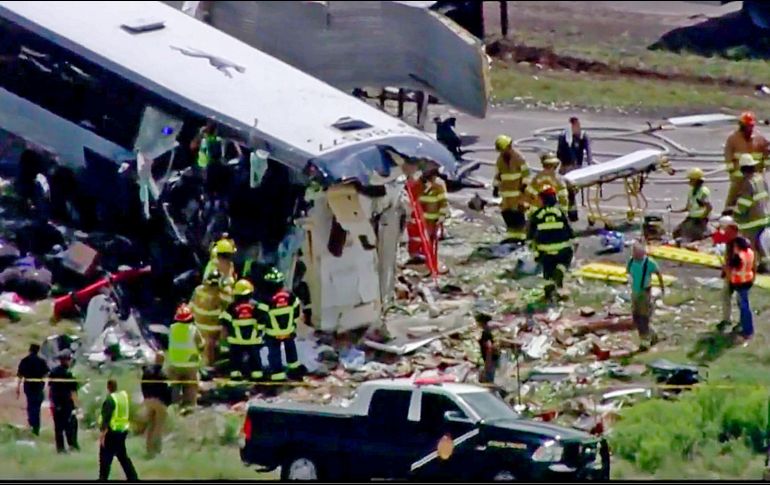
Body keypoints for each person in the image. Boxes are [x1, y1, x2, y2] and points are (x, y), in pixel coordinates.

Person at [256, 268, 304, 382]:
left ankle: (277, 374)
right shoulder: (290, 296)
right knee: (291, 351)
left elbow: (261, 318)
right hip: (289, 331)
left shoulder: (266, 300)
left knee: (274, 353)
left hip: (272, 334)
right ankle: (295, 371)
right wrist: (293, 323)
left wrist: (259, 330)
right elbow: (297, 310)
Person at [527, 186, 574, 301]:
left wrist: (535, 253)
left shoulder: (537, 214)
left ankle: (549, 292)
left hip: (545, 251)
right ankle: (561, 270)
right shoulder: (559, 212)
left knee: (547, 271)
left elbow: (530, 236)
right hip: (562, 249)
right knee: (566, 259)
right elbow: (570, 232)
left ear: (543, 199)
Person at [726, 154, 770, 272]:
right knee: (759, 243)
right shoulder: (761, 179)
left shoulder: (748, 183)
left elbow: (744, 205)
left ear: (742, 169)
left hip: (752, 221)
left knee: (750, 244)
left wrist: (733, 212)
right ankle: (765, 264)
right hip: (764, 217)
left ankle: (752, 267)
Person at [718, 216, 756, 343]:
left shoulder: (739, 249)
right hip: (741, 279)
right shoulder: (740, 247)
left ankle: (746, 329)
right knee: (728, 298)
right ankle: (727, 320)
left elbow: (735, 265)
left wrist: (727, 271)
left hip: (738, 280)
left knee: (743, 304)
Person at [724, 111, 770, 212]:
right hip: (738, 175)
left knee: (759, 195)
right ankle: (727, 213)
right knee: (734, 195)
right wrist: (731, 171)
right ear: (741, 125)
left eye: (751, 126)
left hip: (756, 174)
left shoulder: (759, 138)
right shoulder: (733, 138)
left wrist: (765, 167)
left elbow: (767, 152)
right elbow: (728, 155)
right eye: (747, 126)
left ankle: (760, 212)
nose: (750, 129)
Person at [220, 279, 264, 381]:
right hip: (253, 340)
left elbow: (224, 320)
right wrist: (260, 332)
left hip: (236, 340)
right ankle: (257, 376)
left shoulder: (232, 307)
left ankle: (236, 375)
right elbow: (263, 320)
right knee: (255, 358)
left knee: (236, 359)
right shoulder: (255, 305)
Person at [406, 163, 448, 265]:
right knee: (418, 240)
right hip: (419, 220)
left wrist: (441, 217)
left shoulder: (438, 186)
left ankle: (429, 261)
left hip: (432, 221)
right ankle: (418, 258)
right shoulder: (418, 184)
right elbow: (411, 197)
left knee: (429, 241)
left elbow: (443, 202)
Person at [626, 243, 665, 350]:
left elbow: (658, 273)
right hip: (635, 292)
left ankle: (646, 339)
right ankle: (651, 335)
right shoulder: (631, 261)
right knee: (636, 316)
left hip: (644, 292)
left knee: (643, 317)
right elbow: (629, 273)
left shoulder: (649, 263)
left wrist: (662, 288)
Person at [166, 303, 204, 412]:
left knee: (175, 387)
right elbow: (201, 345)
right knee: (191, 387)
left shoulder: (172, 328)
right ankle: (190, 407)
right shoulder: (193, 329)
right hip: (190, 365)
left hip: (174, 364)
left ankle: (175, 407)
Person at [493, 134, 531, 243]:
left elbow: (526, 173)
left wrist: (524, 186)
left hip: (518, 193)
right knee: (507, 215)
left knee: (518, 215)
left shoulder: (518, 158)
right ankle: (512, 237)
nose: (502, 153)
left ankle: (521, 238)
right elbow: (498, 174)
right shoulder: (500, 160)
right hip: (506, 195)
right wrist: (495, 187)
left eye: (503, 150)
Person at [98, 379, 138, 481]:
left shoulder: (110, 400)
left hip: (111, 432)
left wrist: (102, 436)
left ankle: (102, 478)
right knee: (123, 457)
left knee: (105, 458)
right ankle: (133, 477)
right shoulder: (123, 397)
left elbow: (106, 419)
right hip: (122, 431)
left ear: (108, 387)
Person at [190, 269, 228, 370]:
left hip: (198, 325)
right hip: (213, 327)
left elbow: (191, 305)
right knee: (210, 347)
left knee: (204, 347)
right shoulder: (222, 295)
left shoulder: (198, 290)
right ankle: (209, 367)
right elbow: (229, 305)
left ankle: (205, 366)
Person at [556, 117, 592, 222]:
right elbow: (559, 153)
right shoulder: (564, 137)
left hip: (575, 168)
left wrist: (590, 166)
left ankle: (571, 213)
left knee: (570, 192)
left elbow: (588, 151)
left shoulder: (582, 136)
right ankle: (570, 213)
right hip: (567, 167)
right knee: (567, 192)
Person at [141, 352, 171, 458]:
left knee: (151, 425)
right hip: (159, 401)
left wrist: (145, 398)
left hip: (148, 400)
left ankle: (149, 449)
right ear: (163, 360)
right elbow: (166, 390)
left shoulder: (147, 371)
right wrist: (168, 403)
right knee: (158, 426)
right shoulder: (163, 374)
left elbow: (143, 385)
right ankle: (157, 450)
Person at [48, 350, 79, 453]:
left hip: (56, 404)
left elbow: (50, 389)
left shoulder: (53, 372)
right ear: (66, 360)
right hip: (66, 404)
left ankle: (60, 448)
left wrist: (52, 402)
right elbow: (73, 391)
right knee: (70, 426)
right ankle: (72, 445)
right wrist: (76, 405)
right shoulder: (69, 374)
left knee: (58, 428)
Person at [16, 343, 49, 436]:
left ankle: (31, 424)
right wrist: (44, 385)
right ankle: (36, 427)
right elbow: (46, 374)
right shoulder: (42, 361)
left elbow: (19, 375)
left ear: (29, 350)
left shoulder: (25, 361)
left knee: (30, 406)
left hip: (28, 387)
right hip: (38, 387)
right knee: (36, 407)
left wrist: (17, 388)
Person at [672, 167, 712, 242]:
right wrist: (674, 211)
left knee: (690, 236)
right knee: (676, 232)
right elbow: (688, 207)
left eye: (691, 180)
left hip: (699, 219)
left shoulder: (703, 192)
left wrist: (703, 216)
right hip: (691, 217)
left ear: (696, 180)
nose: (689, 182)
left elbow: (709, 207)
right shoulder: (691, 192)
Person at [477, 314, 498, 384]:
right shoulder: (490, 331)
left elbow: (489, 348)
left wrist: (488, 363)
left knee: (489, 379)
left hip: (490, 360)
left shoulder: (485, 333)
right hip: (493, 359)